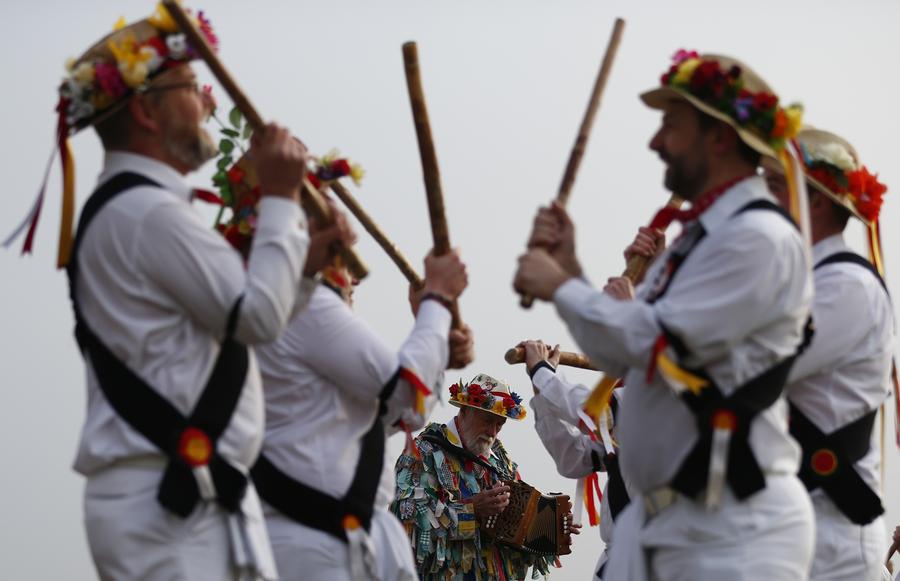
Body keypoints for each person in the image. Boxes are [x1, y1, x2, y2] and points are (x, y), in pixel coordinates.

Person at [57, 7, 347, 580]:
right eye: (191, 87)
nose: (209, 102)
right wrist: (281, 198)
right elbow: (257, 316)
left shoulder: (141, 208)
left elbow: (243, 324)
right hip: (168, 498)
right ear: (145, 111)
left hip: (188, 494)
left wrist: (304, 271)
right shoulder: (149, 212)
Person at [514, 50, 814, 580]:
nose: (656, 142)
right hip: (668, 528)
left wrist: (561, 284)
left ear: (719, 137)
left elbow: (654, 344)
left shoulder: (757, 238)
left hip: (728, 530)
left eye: (671, 125)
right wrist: (577, 265)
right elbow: (618, 352)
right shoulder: (700, 241)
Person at [251, 251, 473, 581]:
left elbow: (405, 413)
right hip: (314, 540)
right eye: (342, 261)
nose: (354, 279)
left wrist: (437, 351)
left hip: (343, 539)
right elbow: (404, 391)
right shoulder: (309, 305)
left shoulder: (316, 339)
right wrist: (436, 304)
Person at [765, 127, 892, 581]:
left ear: (815, 202)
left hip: (829, 538)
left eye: (774, 185)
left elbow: (747, 371)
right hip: (788, 529)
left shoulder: (844, 286)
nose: (759, 199)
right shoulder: (799, 282)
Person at [392, 374, 566, 580]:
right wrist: (472, 510)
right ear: (464, 410)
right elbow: (406, 524)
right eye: (487, 420)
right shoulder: (422, 452)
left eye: (499, 424)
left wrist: (554, 529)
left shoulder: (501, 460)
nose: (493, 432)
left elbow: (515, 531)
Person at [519, 340, 630, 581]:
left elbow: (592, 412)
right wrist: (540, 390)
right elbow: (573, 459)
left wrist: (541, 371)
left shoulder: (669, 398)